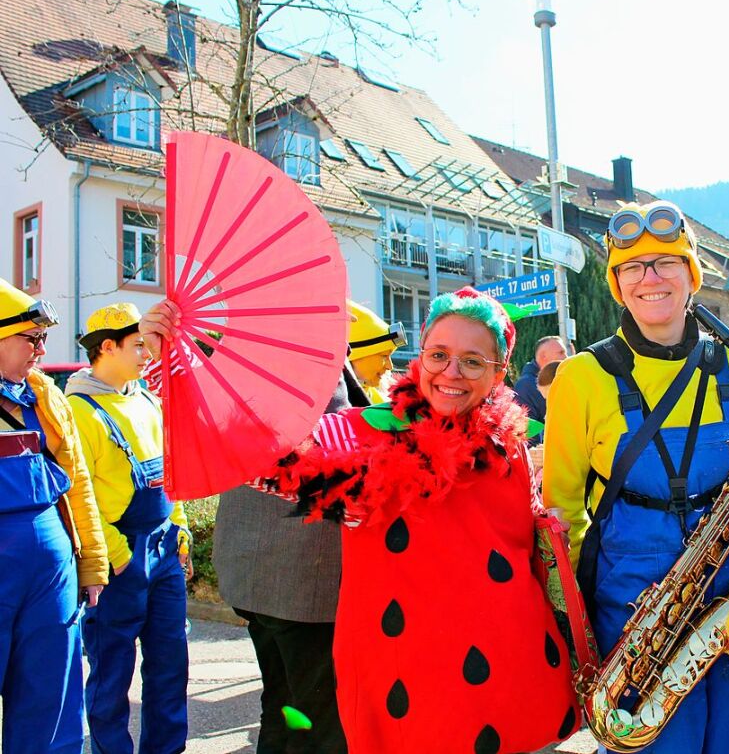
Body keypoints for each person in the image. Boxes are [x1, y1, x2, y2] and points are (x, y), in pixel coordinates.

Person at [141, 287, 578, 754]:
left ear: (498, 374)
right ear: (420, 357)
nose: (451, 372)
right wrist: (172, 368)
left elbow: (519, 527)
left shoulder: (506, 444)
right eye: (438, 354)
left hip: (506, 677)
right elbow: (262, 455)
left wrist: (546, 524)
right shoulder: (367, 436)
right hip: (413, 690)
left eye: (473, 361)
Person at [543, 200, 729, 754]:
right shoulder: (579, 376)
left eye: (666, 262)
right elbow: (561, 512)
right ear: (615, 284)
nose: (650, 277)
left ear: (691, 276)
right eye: (632, 267)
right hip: (638, 604)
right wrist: (584, 629)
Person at [211, 366, 364, 754]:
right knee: (320, 719)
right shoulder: (310, 364)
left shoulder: (242, 364)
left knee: (280, 701)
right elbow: (338, 450)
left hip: (254, 573)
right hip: (301, 580)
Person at [66, 303, 190, 754]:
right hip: (120, 555)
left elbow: (169, 474)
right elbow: (79, 495)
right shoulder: (77, 412)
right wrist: (117, 555)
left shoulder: (146, 399)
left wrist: (179, 529)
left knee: (170, 666)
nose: (146, 354)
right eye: (138, 345)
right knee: (111, 674)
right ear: (106, 348)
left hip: (163, 548)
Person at [0, 278, 108, 753]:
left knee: (53, 695)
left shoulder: (47, 397)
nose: (42, 350)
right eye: (32, 338)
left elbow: (79, 483)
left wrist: (93, 562)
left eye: (44, 339)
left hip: (52, 571)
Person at [347, 300, 406, 403]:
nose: (390, 366)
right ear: (355, 353)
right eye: (384, 356)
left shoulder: (383, 405)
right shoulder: (326, 401)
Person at [514, 334, 567, 424]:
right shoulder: (526, 386)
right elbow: (528, 430)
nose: (566, 357)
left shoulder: (557, 381)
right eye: (561, 352)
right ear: (543, 357)